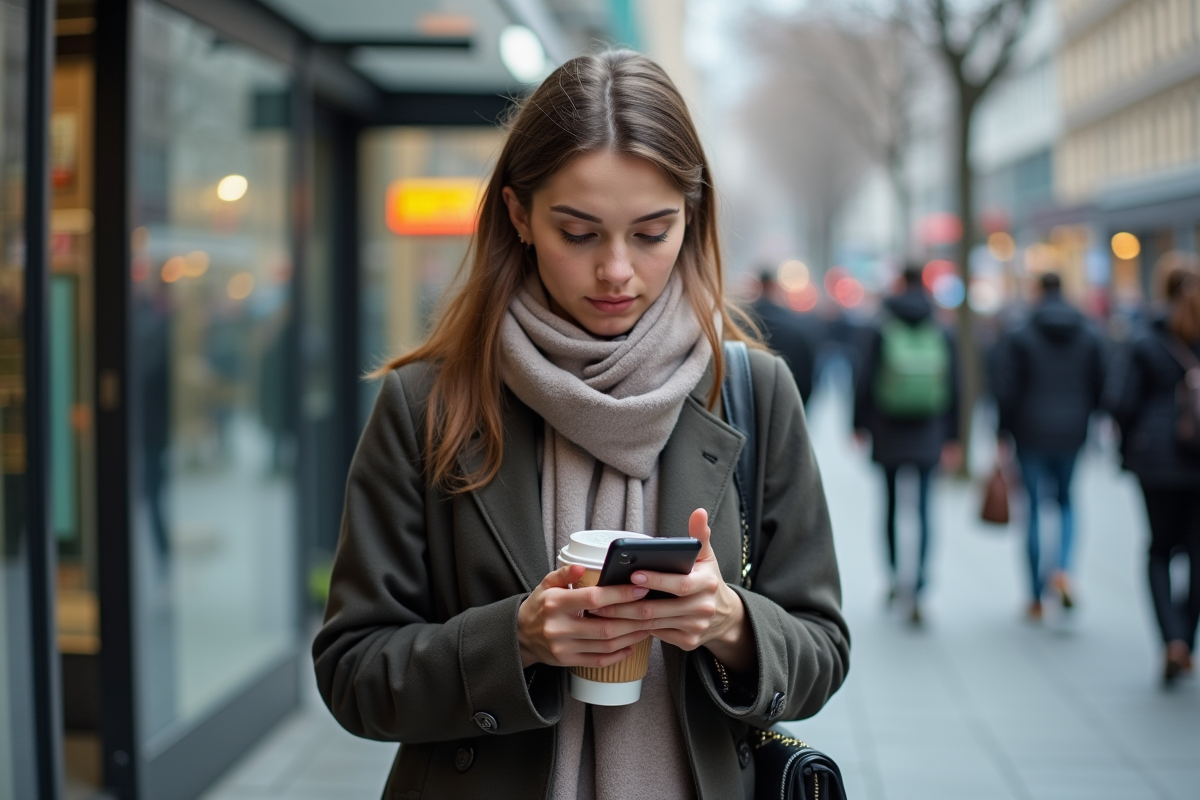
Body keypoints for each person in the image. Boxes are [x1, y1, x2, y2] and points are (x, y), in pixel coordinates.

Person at [312, 51, 849, 799]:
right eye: (580, 232)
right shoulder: (425, 402)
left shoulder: (753, 390)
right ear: (519, 216)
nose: (617, 272)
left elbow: (822, 646)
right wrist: (519, 640)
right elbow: (352, 672)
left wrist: (731, 624)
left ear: (691, 219)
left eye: (652, 233)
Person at [1104, 255, 1200, 686]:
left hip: (1156, 461)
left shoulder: (1145, 339)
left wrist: (1127, 447)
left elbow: (1120, 402)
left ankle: (1171, 641)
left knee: (1160, 549)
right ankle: (1186, 637)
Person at [991, 272, 1106, 621]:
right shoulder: (1088, 333)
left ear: (1039, 291)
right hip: (1072, 431)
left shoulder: (1020, 334)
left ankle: (1036, 595)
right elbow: (1101, 383)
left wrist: (1002, 432)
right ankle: (1063, 570)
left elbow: (1006, 389)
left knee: (1034, 507)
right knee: (1067, 500)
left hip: (1030, 431)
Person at [854, 263, 960, 624]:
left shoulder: (882, 324)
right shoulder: (940, 326)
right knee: (926, 509)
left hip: (888, 429)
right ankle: (921, 587)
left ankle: (895, 578)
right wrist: (954, 436)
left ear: (899, 282)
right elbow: (956, 384)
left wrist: (858, 424)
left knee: (891, 505)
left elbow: (864, 377)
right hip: (929, 429)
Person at [751, 270, 820, 404]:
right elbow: (806, 380)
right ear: (775, 288)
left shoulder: (741, 323)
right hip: (786, 404)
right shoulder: (794, 324)